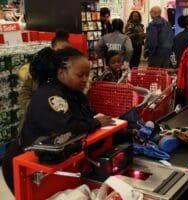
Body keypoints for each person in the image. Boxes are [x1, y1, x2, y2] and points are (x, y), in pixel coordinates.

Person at [2, 47, 115, 194]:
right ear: (61, 73)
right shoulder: (51, 96)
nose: (85, 80)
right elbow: (68, 127)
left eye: (87, 75)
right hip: (26, 163)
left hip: (49, 160)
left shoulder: (74, 93)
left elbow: (86, 117)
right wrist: (96, 123)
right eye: (80, 75)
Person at [18, 30, 71, 129]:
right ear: (52, 50)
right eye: (59, 50)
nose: (62, 54)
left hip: (60, 124)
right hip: (34, 124)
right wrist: (36, 108)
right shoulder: (37, 70)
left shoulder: (70, 72)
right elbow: (24, 94)